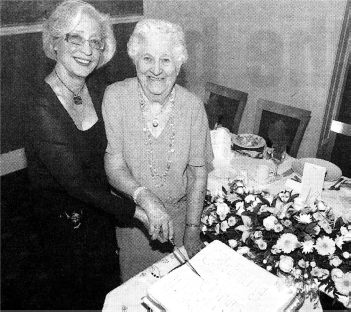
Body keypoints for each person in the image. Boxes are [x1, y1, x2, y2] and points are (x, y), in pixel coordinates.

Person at [24, 0, 149, 309]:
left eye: (95, 41)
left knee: (110, 291)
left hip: (100, 213)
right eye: (75, 38)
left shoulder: (96, 88)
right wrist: (137, 211)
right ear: (54, 42)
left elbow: (118, 144)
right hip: (64, 225)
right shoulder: (40, 104)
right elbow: (76, 183)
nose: (87, 50)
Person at [102, 18, 214, 282]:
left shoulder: (193, 107)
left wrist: (192, 230)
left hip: (180, 221)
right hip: (136, 221)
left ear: (178, 64)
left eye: (165, 60)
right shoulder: (115, 97)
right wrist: (145, 197)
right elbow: (114, 165)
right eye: (147, 58)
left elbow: (198, 175)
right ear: (135, 61)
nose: (155, 70)